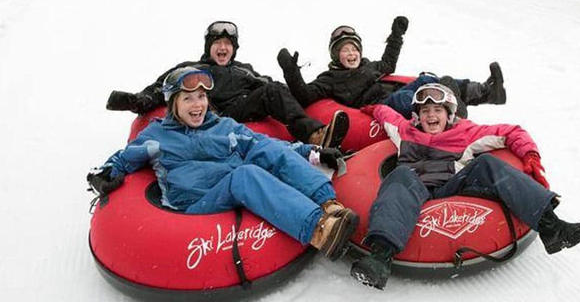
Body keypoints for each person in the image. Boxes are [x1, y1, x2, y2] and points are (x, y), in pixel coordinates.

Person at [89, 67, 359, 261]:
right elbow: (122, 159)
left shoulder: (224, 126)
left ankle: (328, 205)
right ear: (173, 103)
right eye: (188, 98)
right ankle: (319, 231)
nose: (198, 105)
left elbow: (268, 146)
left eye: (202, 97)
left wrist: (312, 152)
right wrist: (103, 176)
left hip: (233, 191)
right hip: (196, 205)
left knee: (265, 149)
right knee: (246, 174)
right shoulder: (156, 136)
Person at [349, 84, 580, 289]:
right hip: (412, 187)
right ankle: (380, 258)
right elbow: (384, 113)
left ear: (449, 114)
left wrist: (530, 155)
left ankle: (552, 228)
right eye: (425, 111)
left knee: (487, 163)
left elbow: (511, 132)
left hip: (450, 188)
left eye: (437, 110)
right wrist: (369, 108)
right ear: (417, 115)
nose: (431, 116)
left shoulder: (466, 132)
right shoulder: (404, 131)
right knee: (401, 174)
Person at [106, 21, 349, 148]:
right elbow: (164, 87)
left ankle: (315, 135)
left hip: (239, 111)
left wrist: (294, 87)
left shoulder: (243, 70)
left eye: (228, 44)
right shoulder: (192, 68)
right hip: (207, 116)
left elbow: (271, 88)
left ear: (234, 49)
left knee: (272, 90)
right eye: (217, 43)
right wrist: (139, 101)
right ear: (208, 47)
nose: (223, 48)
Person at [277, 17, 506, 121]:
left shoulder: (369, 66)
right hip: (376, 107)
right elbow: (305, 96)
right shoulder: (329, 78)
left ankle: (486, 92)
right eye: (345, 50)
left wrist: (396, 35)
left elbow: (388, 64)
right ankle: (454, 116)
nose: (351, 54)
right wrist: (291, 72)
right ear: (336, 56)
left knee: (434, 80)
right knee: (409, 97)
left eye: (354, 49)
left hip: (391, 94)